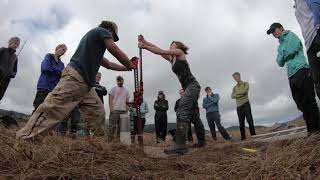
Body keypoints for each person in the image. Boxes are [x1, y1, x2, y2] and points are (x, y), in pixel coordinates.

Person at [16, 20, 136, 139]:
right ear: (109, 30)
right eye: (113, 36)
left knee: (98, 113)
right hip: (75, 77)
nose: (112, 39)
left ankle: (98, 145)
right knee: (53, 109)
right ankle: (25, 138)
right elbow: (115, 50)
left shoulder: (95, 49)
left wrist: (126, 68)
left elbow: (109, 64)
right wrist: (129, 63)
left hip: (87, 86)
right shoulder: (100, 31)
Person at [138, 35, 202, 154]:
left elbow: (161, 51)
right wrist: (145, 41)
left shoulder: (179, 52)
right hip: (187, 87)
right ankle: (202, 142)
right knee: (193, 114)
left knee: (181, 110)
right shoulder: (171, 59)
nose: (170, 46)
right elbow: (158, 49)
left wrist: (144, 47)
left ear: (177, 46)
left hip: (192, 86)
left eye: (172, 45)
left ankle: (181, 145)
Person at [267, 22, 320, 135]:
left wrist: (284, 54)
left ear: (281, 28)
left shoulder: (290, 35)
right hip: (291, 75)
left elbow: (293, 49)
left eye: (274, 30)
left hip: (301, 69)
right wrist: (284, 54)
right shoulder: (280, 46)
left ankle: (316, 130)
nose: (273, 33)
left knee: (309, 100)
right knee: (300, 103)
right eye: (271, 32)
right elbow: (279, 62)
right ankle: (311, 129)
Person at [295, 0, 320, 98]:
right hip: (309, 44)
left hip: (316, 35)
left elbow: (316, 3)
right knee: (317, 82)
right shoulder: (296, 6)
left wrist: (318, 25)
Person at [231, 72, 256, 140]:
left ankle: (254, 137)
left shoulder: (245, 83)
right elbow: (232, 96)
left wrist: (237, 94)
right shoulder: (234, 88)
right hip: (239, 106)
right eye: (234, 78)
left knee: (249, 120)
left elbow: (245, 92)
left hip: (246, 104)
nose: (236, 78)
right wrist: (240, 94)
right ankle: (243, 138)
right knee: (241, 122)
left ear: (239, 76)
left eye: (236, 77)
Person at [108, 75, 130, 141]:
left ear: (123, 81)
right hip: (115, 111)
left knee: (121, 128)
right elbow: (110, 99)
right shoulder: (113, 89)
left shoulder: (126, 91)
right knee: (112, 126)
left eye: (121, 80)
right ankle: (110, 140)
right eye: (118, 80)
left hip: (123, 111)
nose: (120, 82)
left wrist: (126, 110)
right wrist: (111, 109)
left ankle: (118, 141)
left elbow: (127, 101)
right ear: (117, 81)